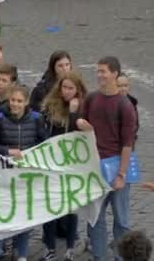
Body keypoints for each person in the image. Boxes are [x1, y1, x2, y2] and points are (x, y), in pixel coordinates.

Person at [80, 56, 138, 261]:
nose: (99, 75)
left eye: (103, 71)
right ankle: (99, 257)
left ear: (115, 74)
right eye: (98, 71)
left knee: (121, 220)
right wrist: (81, 123)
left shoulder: (125, 106)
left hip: (116, 166)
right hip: (95, 167)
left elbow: (127, 144)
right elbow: (82, 122)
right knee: (95, 218)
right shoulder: (92, 98)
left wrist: (121, 174)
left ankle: (120, 258)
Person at [0, 85, 48, 261]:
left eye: (20, 101)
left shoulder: (36, 119)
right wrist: (8, 151)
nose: (15, 104)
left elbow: (44, 144)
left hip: (26, 178)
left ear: (26, 102)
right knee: (1, 216)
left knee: (23, 216)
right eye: (13, 100)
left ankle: (22, 255)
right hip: (3, 177)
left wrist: (31, 154)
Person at [38, 71, 87, 261]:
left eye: (70, 88)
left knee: (71, 208)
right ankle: (49, 247)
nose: (66, 92)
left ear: (78, 90)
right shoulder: (50, 106)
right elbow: (44, 132)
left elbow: (80, 135)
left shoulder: (83, 107)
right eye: (64, 87)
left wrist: (74, 113)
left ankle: (70, 247)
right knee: (49, 207)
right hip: (52, 163)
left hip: (72, 165)